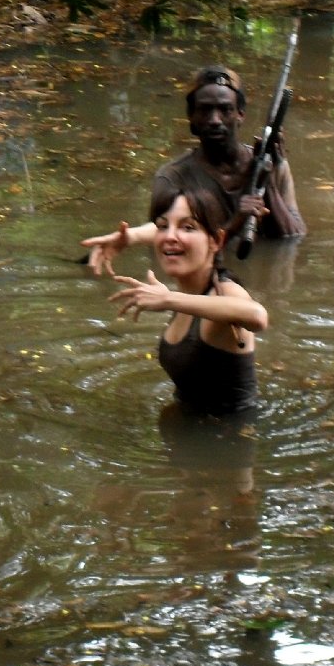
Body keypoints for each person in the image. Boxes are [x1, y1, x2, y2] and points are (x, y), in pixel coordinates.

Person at [82, 65, 306, 277]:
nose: (215, 120)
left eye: (225, 110)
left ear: (240, 115)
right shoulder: (174, 177)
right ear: (192, 118)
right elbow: (170, 245)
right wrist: (237, 220)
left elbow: (293, 238)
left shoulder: (272, 163)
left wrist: (265, 179)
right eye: (205, 110)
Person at [109, 190, 268, 416]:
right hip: (186, 431)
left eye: (188, 227)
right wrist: (129, 238)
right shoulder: (187, 295)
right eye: (163, 227)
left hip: (229, 440)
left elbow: (257, 316)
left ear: (217, 241)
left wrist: (168, 299)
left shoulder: (224, 292)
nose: (171, 236)